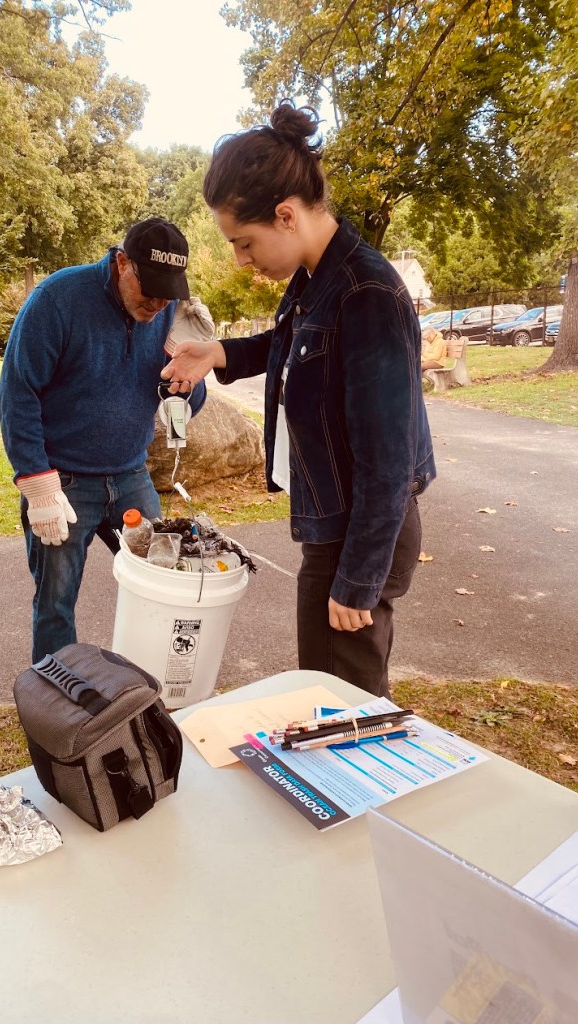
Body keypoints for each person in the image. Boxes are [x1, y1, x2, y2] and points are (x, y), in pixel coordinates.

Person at [161, 103, 436, 698]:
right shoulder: (316, 281)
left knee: (351, 699)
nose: (240, 259)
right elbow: (285, 345)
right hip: (330, 521)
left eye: (243, 241)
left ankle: (365, 791)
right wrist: (218, 353)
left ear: (285, 215)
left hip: (362, 532)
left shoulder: (366, 294)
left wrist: (359, 581)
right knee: (321, 686)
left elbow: (389, 465)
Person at [0, 217, 211, 663]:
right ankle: (56, 714)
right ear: (121, 263)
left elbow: (182, 396)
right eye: (149, 289)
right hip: (64, 482)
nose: (156, 303)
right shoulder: (57, 300)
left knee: (162, 583)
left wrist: (189, 383)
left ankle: (148, 693)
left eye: (167, 292)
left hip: (130, 475)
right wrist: (38, 485)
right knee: (55, 604)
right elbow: (18, 393)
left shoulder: (167, 310)